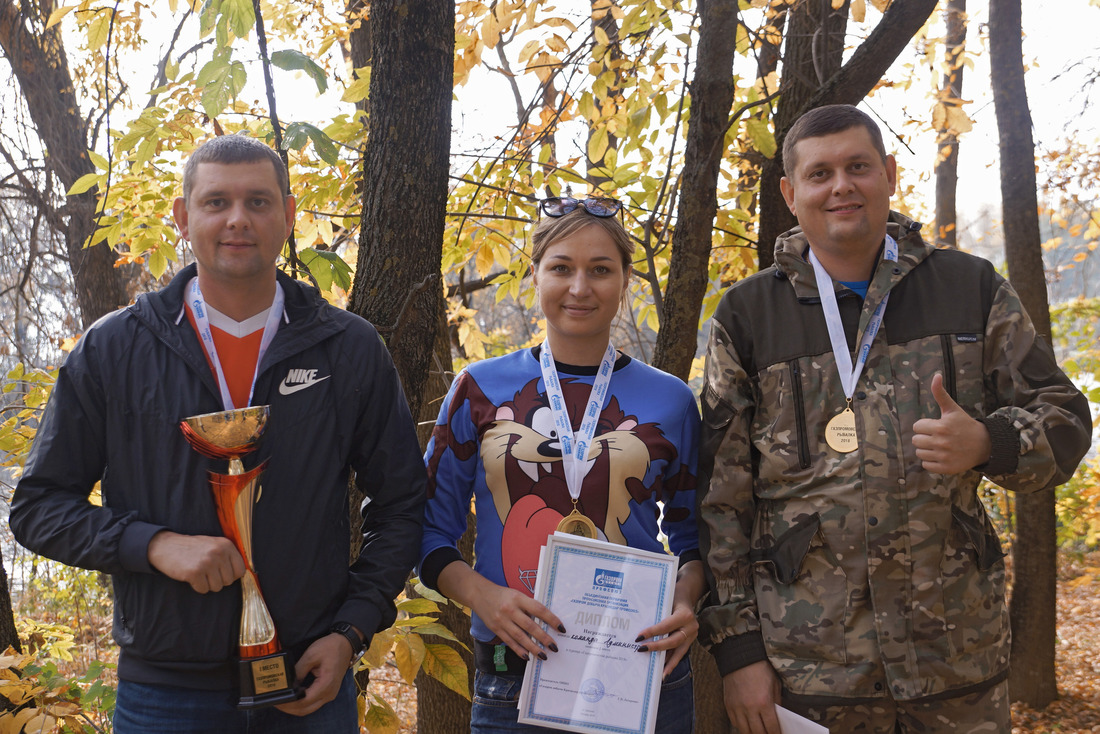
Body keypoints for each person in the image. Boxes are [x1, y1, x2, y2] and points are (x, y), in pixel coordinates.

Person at [9, 134, 427, 733]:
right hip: (164, 693)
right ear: (182, 217)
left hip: (309, 680)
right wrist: (153, 545)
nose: (238, 220)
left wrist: (351, 630)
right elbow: (38, 508)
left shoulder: (349, 347)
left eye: (258, 202)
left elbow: (403, 503)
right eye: (216, 202)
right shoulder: (115, 347)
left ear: (288, 214)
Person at [695, 104, 1092, 733]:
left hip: (956, 664)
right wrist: (739, 652)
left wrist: (989, 442)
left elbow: (1066, 420)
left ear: (889, 173)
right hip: (811, 671)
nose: (841, 186)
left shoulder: (970, 288)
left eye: (858, 167)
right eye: (819, 173)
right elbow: (720, 503)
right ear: (790, 193)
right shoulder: (746, 319)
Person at [419, 196, 706, 733]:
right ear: (534, 275)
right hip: (514, 674)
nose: (580, 288)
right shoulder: (478, 388)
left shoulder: (671, 400)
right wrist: (486, 598)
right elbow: (428, 531)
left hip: (642, 671)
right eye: (561, 268)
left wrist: (687, 601)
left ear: (625, 281)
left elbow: (699, 540)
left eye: (601, 270)